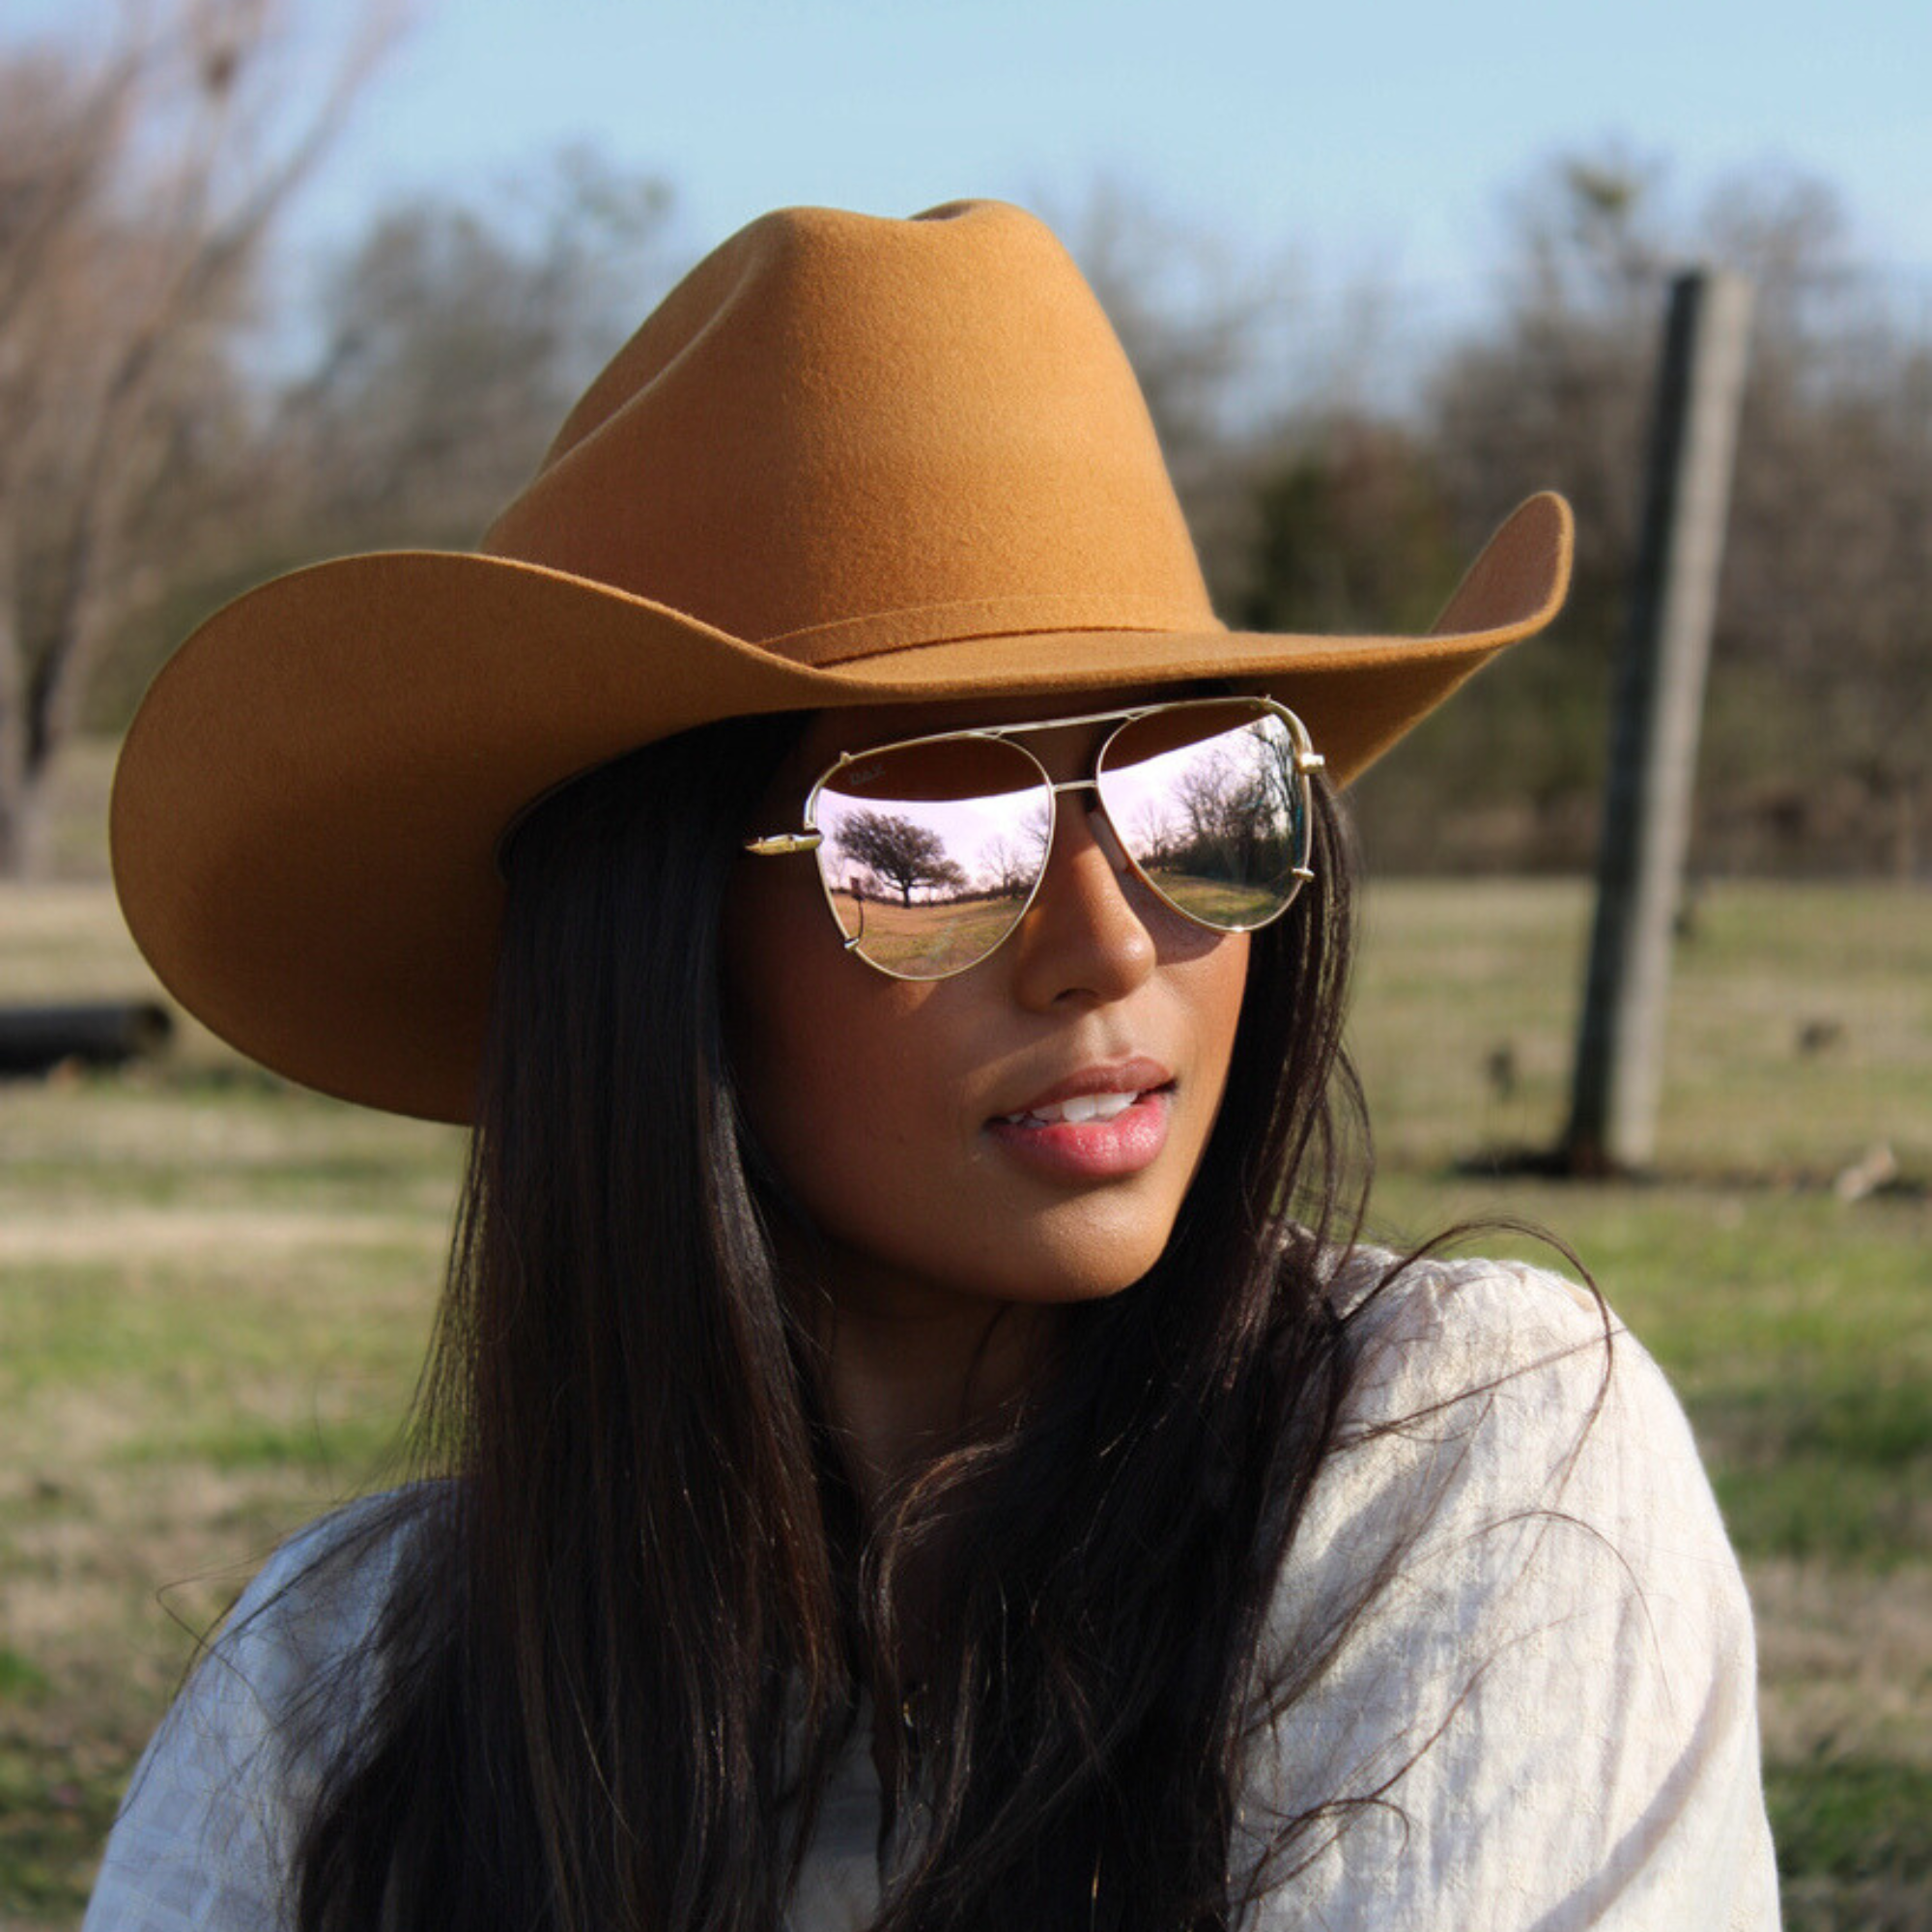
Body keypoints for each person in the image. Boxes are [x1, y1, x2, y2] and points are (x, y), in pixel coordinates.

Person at [88, 199, 1777, 1930]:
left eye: (1200, 795)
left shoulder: (1460, 1464)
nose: (1114, 942)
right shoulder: (343, 1674)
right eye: (930, 836)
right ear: (650, 953)